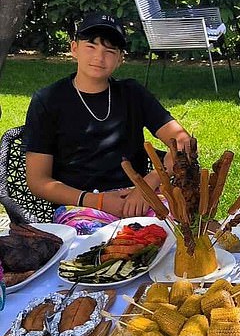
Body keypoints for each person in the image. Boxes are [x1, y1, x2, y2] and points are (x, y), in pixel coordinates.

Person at [24, 12, 190, 234]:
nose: (99, 57)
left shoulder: (132, 93)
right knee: (98, 252)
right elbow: (38, 180)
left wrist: (148, 184)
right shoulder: (48, 101)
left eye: (109, 51)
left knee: (183, 235)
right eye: (91, 47)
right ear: (74, 48)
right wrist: (98, 201)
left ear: (120, 59)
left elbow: (182, 142)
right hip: (82, 204)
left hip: (139, 198)